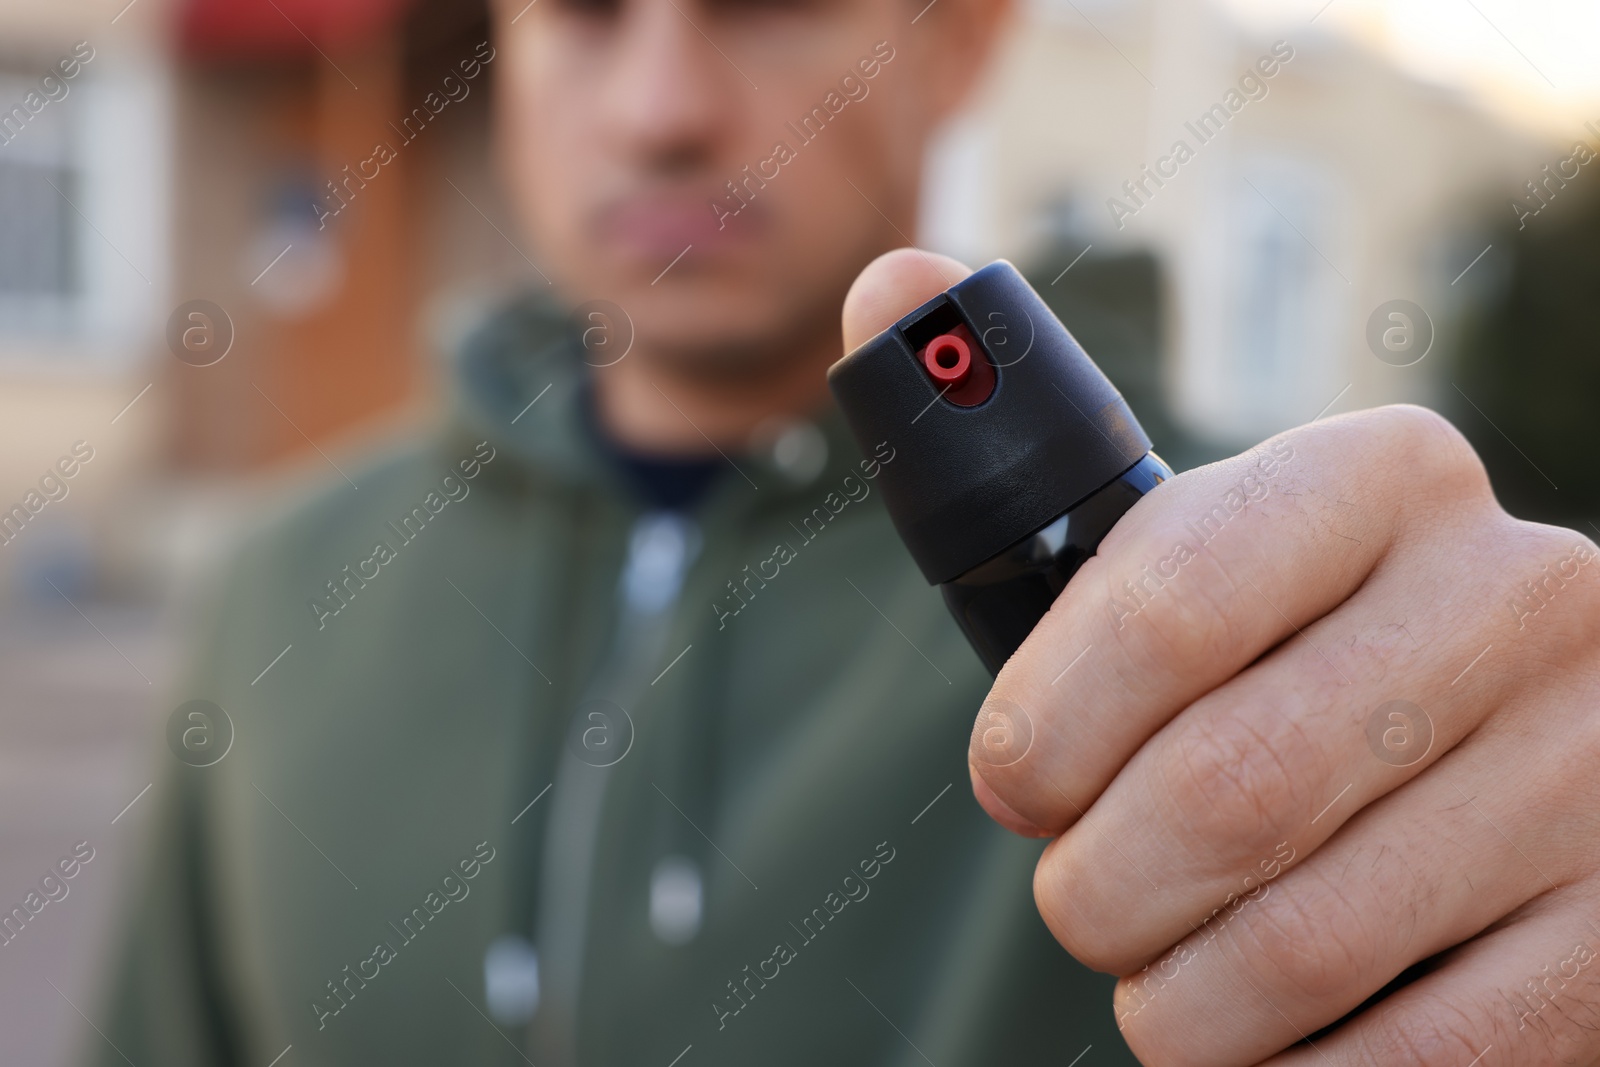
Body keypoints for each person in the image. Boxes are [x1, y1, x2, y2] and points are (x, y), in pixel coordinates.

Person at [94, 1, 1600, 1066]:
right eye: (587, 13)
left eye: (765, 3)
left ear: (962, 39)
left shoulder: (1247, 606)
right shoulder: (277, 591)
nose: (661, 109)